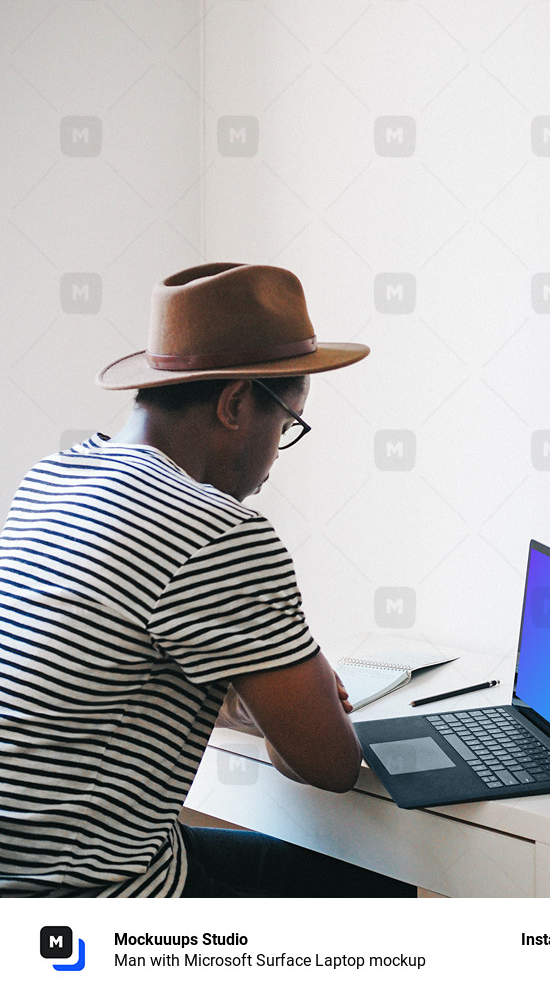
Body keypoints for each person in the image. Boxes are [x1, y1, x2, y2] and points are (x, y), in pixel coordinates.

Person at [0, 262, 414, 897]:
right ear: (235, 404)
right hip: (91, 905)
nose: (276, 458)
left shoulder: (51, 478)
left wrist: (254, 679)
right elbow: (330, 764)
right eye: (286, 426)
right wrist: (291, 699)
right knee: (377, 883)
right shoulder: (218, 531)